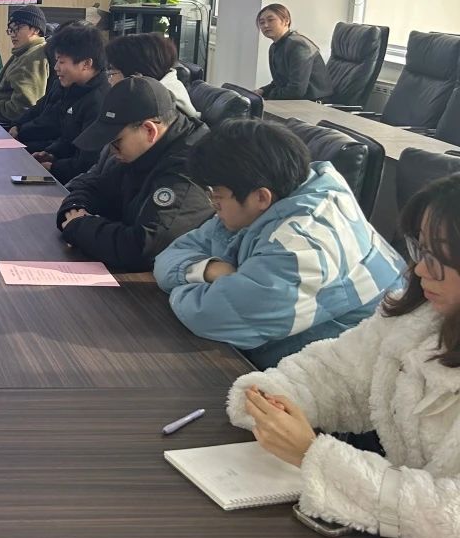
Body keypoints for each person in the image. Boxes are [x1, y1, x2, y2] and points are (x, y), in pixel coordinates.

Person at [224, 174, 460, 538]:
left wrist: (314, 456)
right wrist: (274, 398)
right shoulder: (419, 317)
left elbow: (451, 517)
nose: (419, 270)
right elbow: (339, 371)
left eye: (439, 257)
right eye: (421, 249)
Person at [155, 119, 403, 369]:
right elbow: (169, 257)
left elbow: (210, 317)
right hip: (282, 356)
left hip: (344, 374)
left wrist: (183, 286)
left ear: (261, 197)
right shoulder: (269, 199)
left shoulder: (302, 243)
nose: (213, 206)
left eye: (216, 198)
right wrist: (211, 270)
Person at [56, 76, 214, 273]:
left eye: (116, 142)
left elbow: (143, 248)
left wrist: (80, 226)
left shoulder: (190, 168)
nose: (111, 151)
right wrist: (74, 209)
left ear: (149, 130)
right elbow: (94, 185)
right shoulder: (141, 151)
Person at [11, 24, 110, 184]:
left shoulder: (98, 102)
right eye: (56, 61)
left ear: (86, 64)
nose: (56, 68)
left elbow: (88, 161)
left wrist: (54, 166)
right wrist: (51, 153)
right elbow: (66, 137)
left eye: (62, 62)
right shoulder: (69, 86)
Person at [0, 7, 50, 126]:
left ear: (36, 29)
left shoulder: (33, 57)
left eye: (18, 28)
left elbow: (23, 107)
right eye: (11, 30)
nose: (13, 35)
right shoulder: (23, 52)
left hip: (2, 123)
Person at [104, 33, 198, 119]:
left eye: (111, 73)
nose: (109, 80)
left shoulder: (156, 108)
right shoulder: (169, 87)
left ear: (136, 76)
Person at [255, 3, 332, 101]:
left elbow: (296, 90)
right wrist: (262, 91)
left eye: (271, 20)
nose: (265, 25)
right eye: (262, 22)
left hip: (313, 103)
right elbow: (281, 81)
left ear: (286, 21)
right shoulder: (274, 47)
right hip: (295, 101)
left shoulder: (298, 45)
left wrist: (268, 96)